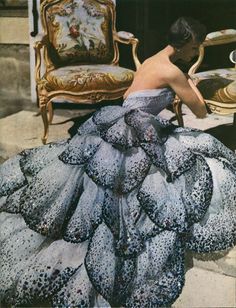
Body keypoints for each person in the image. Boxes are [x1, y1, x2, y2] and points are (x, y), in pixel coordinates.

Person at [0, 17, 235, 308]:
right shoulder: (173, 71)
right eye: (195, 48)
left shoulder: (152, 59)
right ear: (186, 44)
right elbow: (199, 111)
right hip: (140, 131)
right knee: (193, 168)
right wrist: (191, 83)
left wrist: (184, 80)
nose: (194, 53)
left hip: (121, 120)